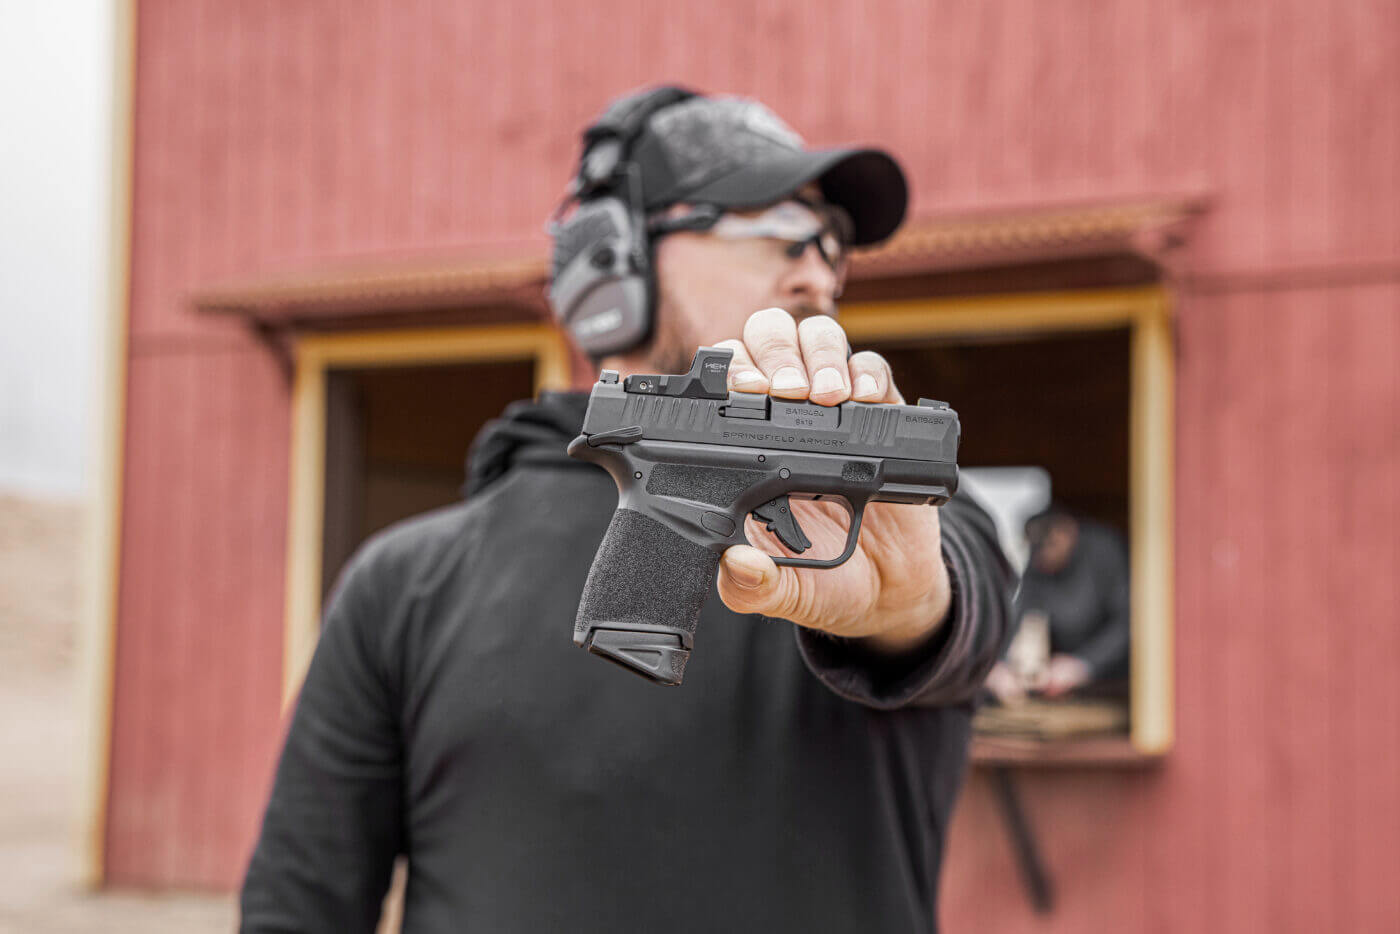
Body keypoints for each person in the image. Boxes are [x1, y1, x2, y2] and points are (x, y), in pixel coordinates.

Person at [240, 87, 1013, 933]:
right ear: (611, 264)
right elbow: (298, 907)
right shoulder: (404, 585)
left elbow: (960, 596)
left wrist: (913, 613)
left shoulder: (891, 533)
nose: (817, 271)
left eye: (833, 248)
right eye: (771, 230)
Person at [985, 505, 1130, 704]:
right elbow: (1016, 615)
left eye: (1049, 546)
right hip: (1069, 679)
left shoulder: (1104, 551)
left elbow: (1128, 623)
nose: (1042, 557)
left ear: (1067, 531)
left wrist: (1083, 665)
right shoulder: (1039, 561)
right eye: (1036, 550)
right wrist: (996, 665)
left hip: (1119, 677)